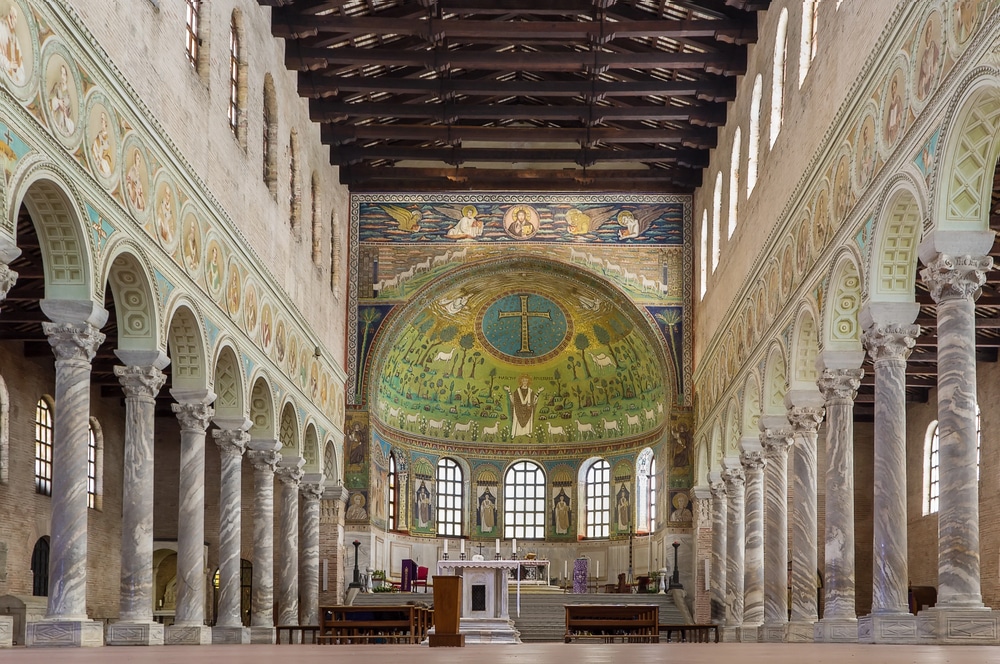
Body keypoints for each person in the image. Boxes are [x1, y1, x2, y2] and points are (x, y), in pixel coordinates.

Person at [0, 4, 25, 85]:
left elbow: (22, 77)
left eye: (15, 18)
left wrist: (16, 70)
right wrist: (8, 64)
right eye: (13, 17)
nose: (15, 21)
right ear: (9, 17)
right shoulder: (1, 28)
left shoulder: (15, 39)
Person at [49, 63, 75, 135]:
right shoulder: (57, 87)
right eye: (61, 74)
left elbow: (70, 115)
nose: (62, 77)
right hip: (55, 119)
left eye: (64, 74)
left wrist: (66, 115)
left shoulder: (68, 97)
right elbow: (49, 101)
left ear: (66, 77)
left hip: (64, 125)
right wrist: (57, 102)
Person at [90, 111, 113, 177]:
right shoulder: (98, 135)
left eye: (102, 119)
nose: (101, 121)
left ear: (106, 123)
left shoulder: (107, 139)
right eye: (101, 119)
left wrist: (101, 158)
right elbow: (94, 148)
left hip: (103, 165)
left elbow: (107, 155)